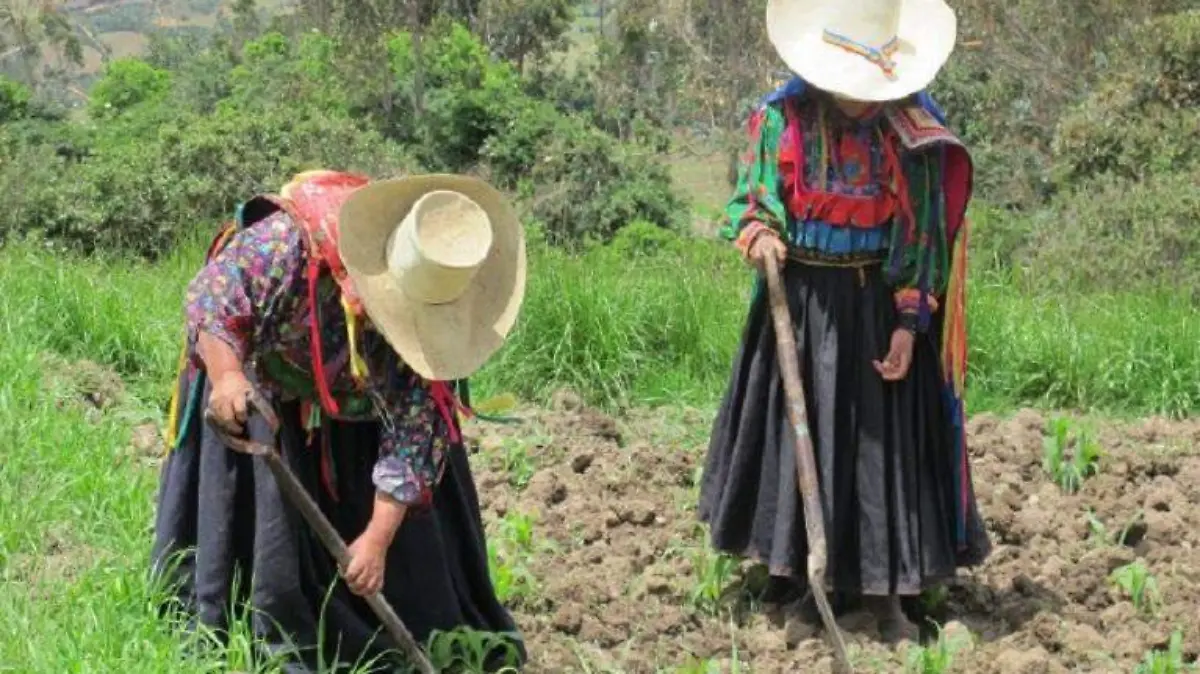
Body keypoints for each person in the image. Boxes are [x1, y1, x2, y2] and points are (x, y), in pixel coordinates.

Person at [698, 0, 992, 644]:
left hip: (879, 308)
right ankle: (806, 583)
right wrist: (759, 234)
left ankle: (889, 594)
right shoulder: (780, 119)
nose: (861, 101)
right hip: (799, 304)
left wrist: (910, 324)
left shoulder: (912, 132)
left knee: (878, 453)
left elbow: (926, 241)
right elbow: (750, 201)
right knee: (806, 442)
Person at [151, 170, 528, 672]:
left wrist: (376, 539)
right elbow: (213, 300)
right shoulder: (290, 244)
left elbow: (416, 438)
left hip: (365, 411)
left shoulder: (435, 331)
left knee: (409, 580)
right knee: (272, 556)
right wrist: (225, 377)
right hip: (264, 382)